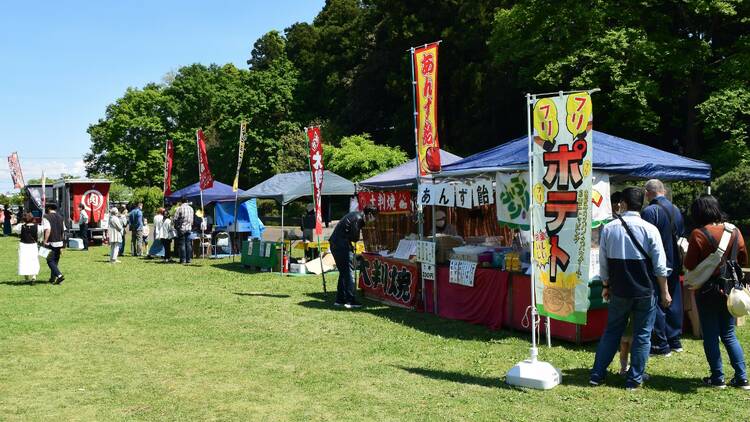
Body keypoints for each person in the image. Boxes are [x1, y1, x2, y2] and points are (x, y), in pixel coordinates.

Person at [590, 187, 672, 390]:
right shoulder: (650, 229)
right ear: (641, 204)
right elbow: (660, 265)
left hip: (619, 290)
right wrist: (665, 291)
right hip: (645, 290)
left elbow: (603, 263)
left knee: (612, 332)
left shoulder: (609, 228)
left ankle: (597, 374)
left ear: (623, 204)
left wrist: (606, 285)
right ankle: (635, 379)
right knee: (643, 334)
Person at [684, 195, 749, 389]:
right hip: (731, 290)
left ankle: (717, 377)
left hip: (707, 290)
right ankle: (742, 377)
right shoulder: (734, 230)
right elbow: (743, 259)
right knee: (729, 334)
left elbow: (689, 264)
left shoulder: (698, 234)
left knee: (711, 335)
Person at [641, 179, 685, 356]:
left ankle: (660, 344)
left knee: (657, 300)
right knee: (673, 298)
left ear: (647, 193)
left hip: (656, 263)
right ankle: (675, 340)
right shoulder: (676, 210)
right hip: (675, 261)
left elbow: (645, 240)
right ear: (664, 191)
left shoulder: (649, 211)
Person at [329, 206, 378, 308]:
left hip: (336, 244)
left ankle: (340, 299)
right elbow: (355, 237)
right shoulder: (358, 218)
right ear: (369, 214)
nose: (373, 219)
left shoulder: (355, 215)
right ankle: (350, 300)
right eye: (374, 216)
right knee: (349, 272)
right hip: (341, 246)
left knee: (343, 272)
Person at [42, 201, 67, 285]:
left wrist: (45, 241)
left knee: (49, 260)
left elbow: (48, 230)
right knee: (55, 261)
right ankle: (52, 278)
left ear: (48, 208)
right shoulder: (61, 217)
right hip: (59, 242)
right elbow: (63, 231)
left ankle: (59, 276)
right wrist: (63, 243)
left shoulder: (46, 217)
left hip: (51, 242)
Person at [17, 212, 42, 284]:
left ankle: (26, 278)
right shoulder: (38, 226)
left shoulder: (21, 226)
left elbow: (15, 230)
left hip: (23, 245)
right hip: (33, 245)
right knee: (34, 260)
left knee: (23, 261)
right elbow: (40, 235)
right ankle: (34, 277)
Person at [174, 197, 194, 264]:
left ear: (181, 201)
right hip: (189, 228)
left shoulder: (179, 208)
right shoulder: (191, 209)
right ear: (187, 201)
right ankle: (188, 260)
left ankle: (183, 260)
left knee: (182, 244)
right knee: (188, 244)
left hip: (181, 228)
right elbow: (192, 220)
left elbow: (175, 219)